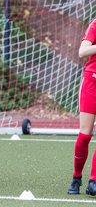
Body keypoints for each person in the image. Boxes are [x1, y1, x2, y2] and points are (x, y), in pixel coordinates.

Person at [67, 19, 96, 196]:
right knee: (84, 135)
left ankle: (93, 181)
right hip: (91, 82)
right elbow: (82, 51)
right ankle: (76, 178)